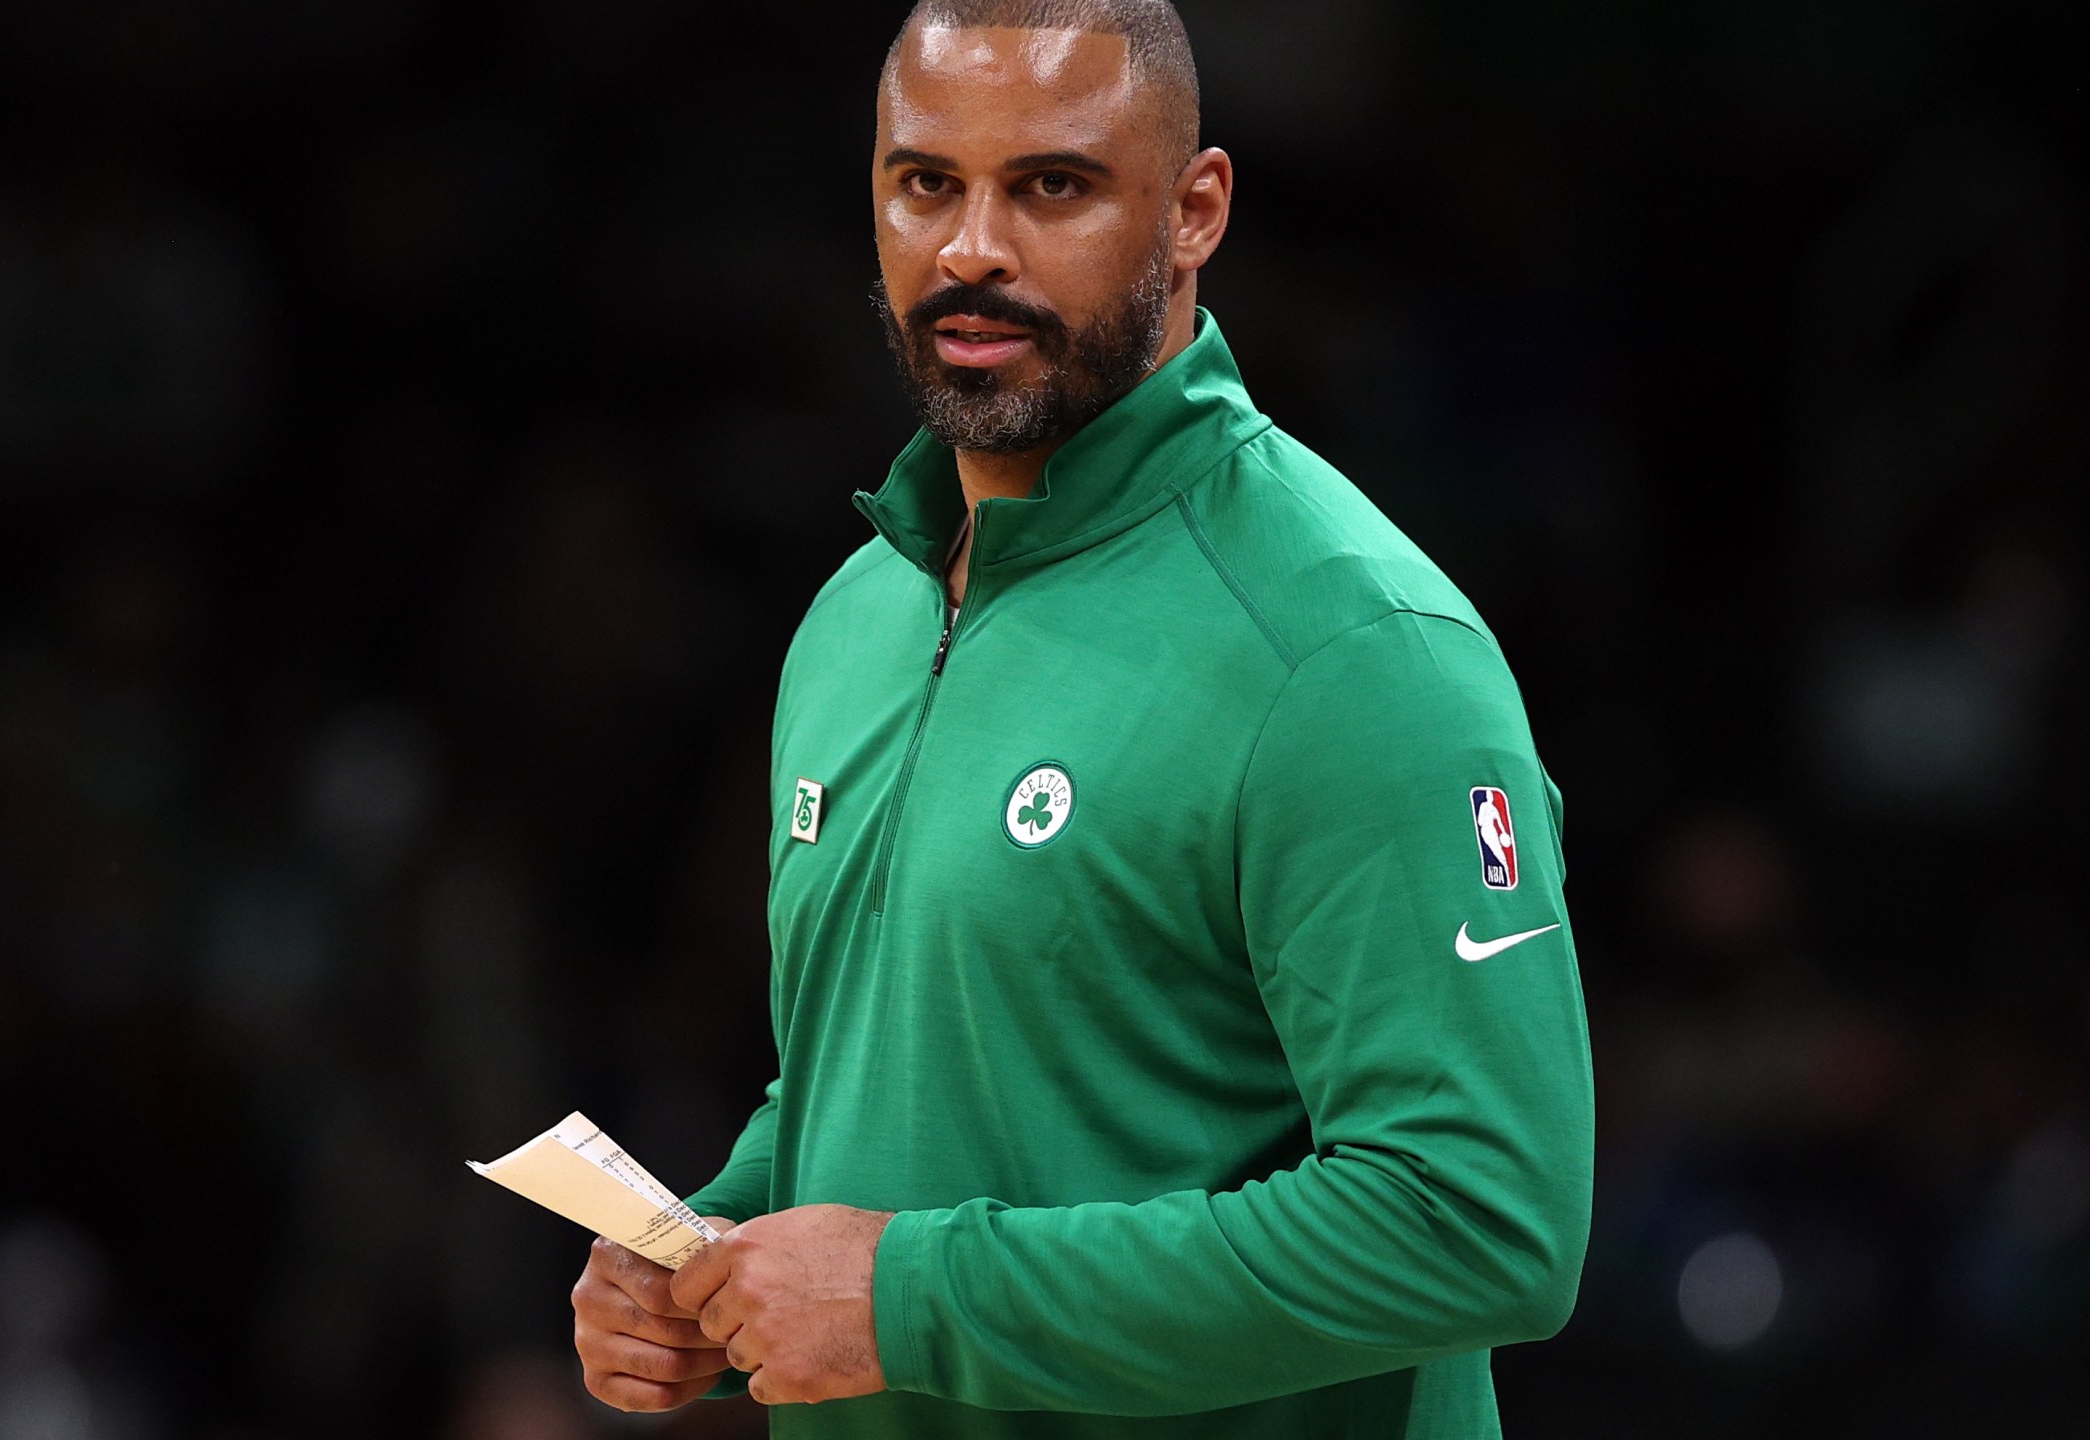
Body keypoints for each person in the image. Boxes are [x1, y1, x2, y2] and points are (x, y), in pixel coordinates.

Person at [567, 2, 1594, 1435]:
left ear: (1195, 213)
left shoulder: (1352, 649)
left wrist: (912, 1299)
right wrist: (713, 1252)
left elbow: (1482, 1224)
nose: (971, 248)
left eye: (1051, 186)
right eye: (925, 184)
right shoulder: (858, 614)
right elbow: (907, 1076)